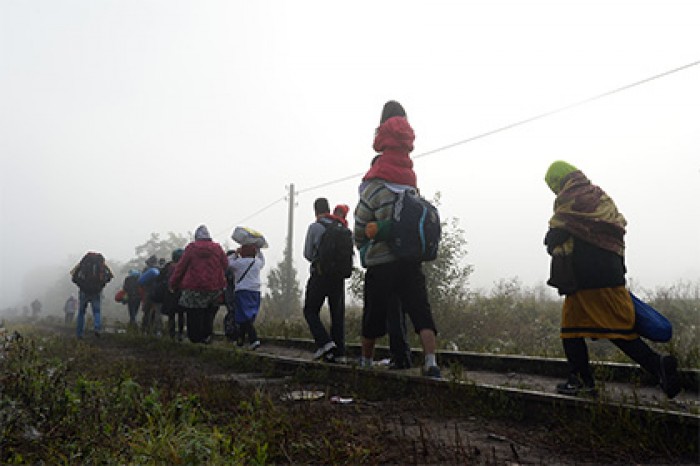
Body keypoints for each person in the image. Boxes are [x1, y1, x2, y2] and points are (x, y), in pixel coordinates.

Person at [543, 160, 681, 398]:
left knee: (593, 330)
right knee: (595, 329)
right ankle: (587, 379)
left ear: (560, 180)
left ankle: (653, 366)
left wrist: (552, 240)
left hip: (588, 279)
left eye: (553, 185)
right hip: (608, 275)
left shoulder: (571, 200)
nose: (555, 190)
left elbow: (554, 236)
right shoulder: (600, 198)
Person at [353, 100, 441, 378]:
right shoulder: (411, 183)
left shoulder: (375, 185)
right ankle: (431, 363)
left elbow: (359, 223)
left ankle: (366, 364)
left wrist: (364, 244)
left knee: (373, 315)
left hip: (381, 262)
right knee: (420, 311)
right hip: (410, 259)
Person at [302, 197, 349, 362]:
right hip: (338, 276)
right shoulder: (340, 225)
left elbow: (308, 254)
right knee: (337, 314)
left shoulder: (315, 227)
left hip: (320, 275)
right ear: (329, 209)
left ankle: (325, 343)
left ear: (315, 210)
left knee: (310, 310)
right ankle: (340, 353)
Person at [168, 225, 228, 344]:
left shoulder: (191, 248)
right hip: (214, 288)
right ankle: (207, 336)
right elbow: (226, 265)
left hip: (193, 288)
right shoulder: (217, 248)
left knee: (193, 314)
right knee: (208, 313)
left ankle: (195, 340)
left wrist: (173, 283)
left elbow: (181, 267)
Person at [228, 243, 265, 349]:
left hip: (242, 291)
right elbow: (263, 260)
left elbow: (227, 263)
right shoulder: (257, 262)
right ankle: (241, 340)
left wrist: (235, 253)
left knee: (243, 316)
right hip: (255, 292)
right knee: (249, 316)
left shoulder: (238, 263)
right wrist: (259, 250)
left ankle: (254, 339)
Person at [70, 251, 113, 338]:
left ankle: (79, 334)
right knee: (97, 312)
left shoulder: (83, 263)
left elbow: (73, 277)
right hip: (96, 291)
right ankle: (97, 329)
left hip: (84, 291)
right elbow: (110, 276)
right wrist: (101, 285)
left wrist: (81, 285)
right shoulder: (101, 264)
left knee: (81, 313)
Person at [160, 249, 185, 340]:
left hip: (169, 293)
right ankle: (180, 334)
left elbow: (160, 278)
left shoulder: (168, 266)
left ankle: (172, 334)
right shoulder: (184, 267)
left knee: (171, 315)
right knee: (181, 314)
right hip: (181, 293)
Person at [138, 255, 163, 336]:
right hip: (158, 294)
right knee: (157, 313)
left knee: (147, 312)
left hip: (148, 293)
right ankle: (157, 331)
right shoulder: (160, 269)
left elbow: (141, 282)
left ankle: (144, 330)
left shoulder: (147, 270)